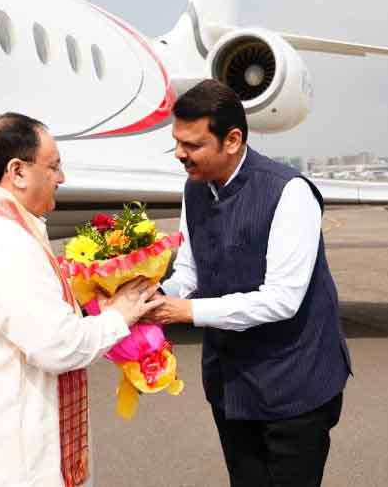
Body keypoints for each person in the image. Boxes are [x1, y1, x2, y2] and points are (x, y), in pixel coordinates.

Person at [0, 112, 162, 487]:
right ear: (18, 172)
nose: (62, 178)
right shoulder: (2, 241)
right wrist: (119, 316)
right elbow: (59, 346)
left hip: (2, 451)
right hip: (16, 464)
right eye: (54, 166)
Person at [146, 80, 352, 486]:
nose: (180, 154)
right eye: (177, 142)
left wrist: (186, 311)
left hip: (294, 386)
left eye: (192, 144)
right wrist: (151, 300)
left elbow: (282, 300)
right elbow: (190, 270)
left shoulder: (288, 192)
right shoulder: (195, 189)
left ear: (232, 140)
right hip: (231, 384)